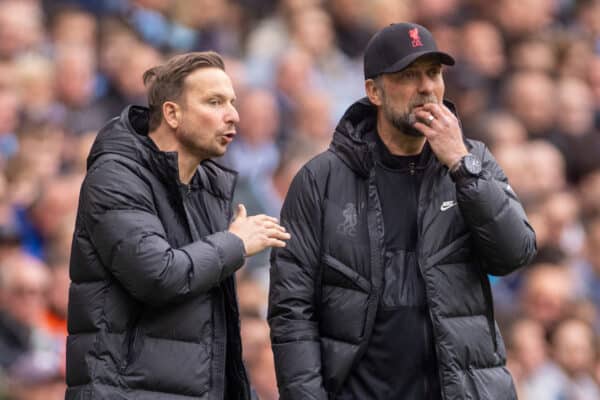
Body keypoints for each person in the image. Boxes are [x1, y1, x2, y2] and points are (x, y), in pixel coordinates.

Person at [268, 22, 537, 399]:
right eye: (409, 75)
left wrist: (461, 166)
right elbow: (291, 309)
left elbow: (515, 253)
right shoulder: (321, 179)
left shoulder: (473, 162)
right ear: (373, 92)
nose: (427, 87)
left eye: (433, 73)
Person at [65, 51, 290, 400]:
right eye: (214, 102)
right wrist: (235, 244)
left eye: (232, 102)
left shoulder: (207, 187)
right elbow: (157, 274)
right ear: (172, 113)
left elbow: (211, 326)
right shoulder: (115, 176)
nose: (233, 115)